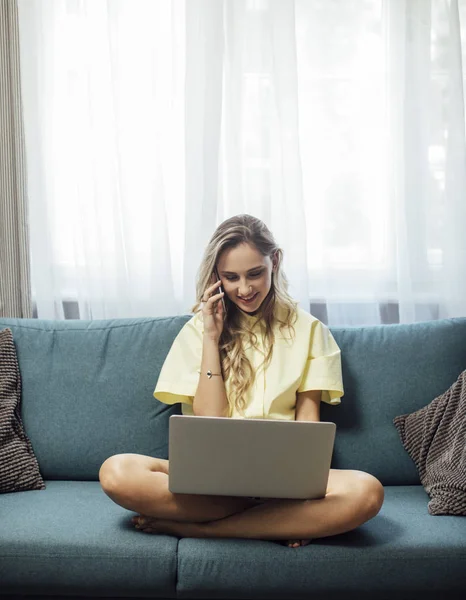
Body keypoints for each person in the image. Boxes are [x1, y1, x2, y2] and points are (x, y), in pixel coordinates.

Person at [99, 214, 384, 548]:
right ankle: (278, 521)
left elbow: (309, 429)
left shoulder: (310, 331)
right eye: (231, 277)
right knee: (116, 472)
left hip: (282, 481)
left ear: (274, 261)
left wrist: (299, 490)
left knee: (367, 492)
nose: (245, 289)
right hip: (210, 484)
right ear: (216, 277)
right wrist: (210, 337)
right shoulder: (197, 331)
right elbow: (208, 423)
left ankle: (204, 529)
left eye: (255, 274)